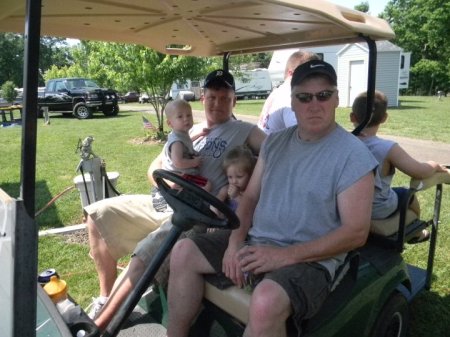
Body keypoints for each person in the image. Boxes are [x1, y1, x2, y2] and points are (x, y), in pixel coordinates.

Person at [166, 60, 378, 337]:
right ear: (292, 101)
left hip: (310, 259)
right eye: (304, 97)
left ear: (337, 98)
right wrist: (234, 242)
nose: (314, 104)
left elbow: (355, 233)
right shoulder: (275, 143)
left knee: (265, 301)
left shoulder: (353, 156)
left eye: (323, 95)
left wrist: (282, 256)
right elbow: (251, 197)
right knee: (183, 252)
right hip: (257, 240)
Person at [84, 69, 266, 330]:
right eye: (212, 97)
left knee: (148, 250)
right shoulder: (188, 130)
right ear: (203, 98)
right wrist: (170, 180)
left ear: (234, 101)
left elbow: (273, 151)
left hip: (197, 211)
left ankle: (98, 326)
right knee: (99, 213)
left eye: (225, 98)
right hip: (166, 199)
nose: (217, 104)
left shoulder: (244, 130)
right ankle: (104, 297)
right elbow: (153, 168)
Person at [351, 90, 447, 242]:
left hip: (347, 206)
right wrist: (434, 165)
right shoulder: (387, 148)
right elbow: (419, 172)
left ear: (352, 117)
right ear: (384, 118)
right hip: (377, 209)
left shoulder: (343, 142)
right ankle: (415, 233)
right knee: (406, 194)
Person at [257, 50, 319, 134]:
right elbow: (305, 136)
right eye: (309, 74)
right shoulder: (290, 97)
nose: (316, 79)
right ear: (291, 73)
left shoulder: (279, 92)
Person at [162, 98, 211, 191]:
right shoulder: (176, 142)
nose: (186, 119)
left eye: (189, 115)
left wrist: (200, 134)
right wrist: (194, 162)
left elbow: (188, 142)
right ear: (169, 123)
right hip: (179, 176)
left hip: (178, 174)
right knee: (207, 185)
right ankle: (194, 202)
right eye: (180, 116)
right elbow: (178, 162)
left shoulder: (180, 134)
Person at [215, 145, 256, 211]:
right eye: (230, 177)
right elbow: (218, 200)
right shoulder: (227, 189)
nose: (234, 181)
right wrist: (216, 207)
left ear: (250, 174)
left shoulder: (251, 192)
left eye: (239, 177)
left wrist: (236, 196)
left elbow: (250, 208)